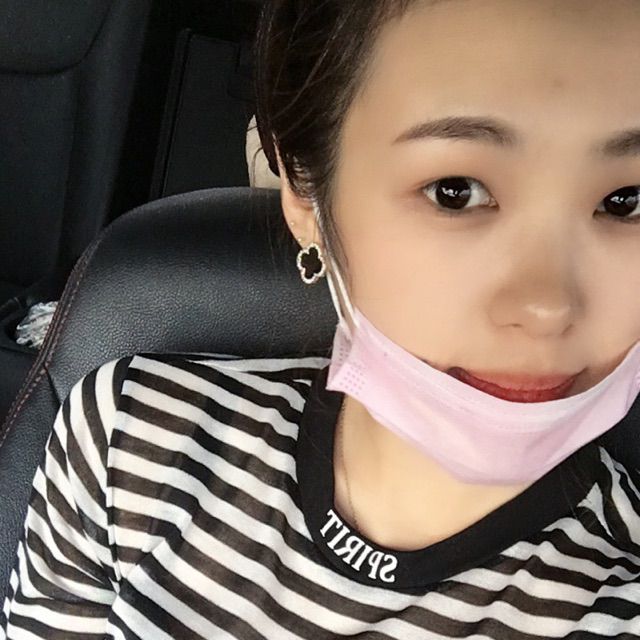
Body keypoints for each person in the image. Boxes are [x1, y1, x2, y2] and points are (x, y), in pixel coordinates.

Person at [2, 0, 640, 637]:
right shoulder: (130, 435)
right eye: (455, 192)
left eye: (626, 201)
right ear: (308, 191)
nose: (546, 308)